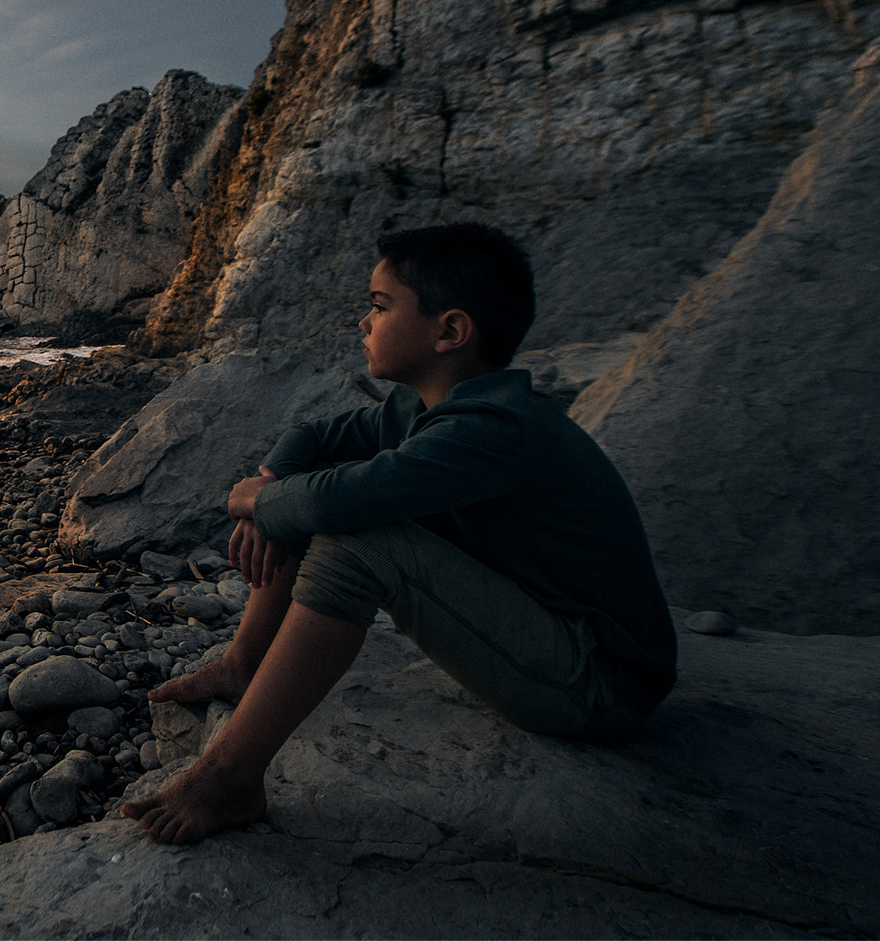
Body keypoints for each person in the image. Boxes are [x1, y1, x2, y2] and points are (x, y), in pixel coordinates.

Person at [122, 223, 676, 845]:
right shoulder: (420, 408)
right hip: (546, 640)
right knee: (311, 499)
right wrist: (274, 485)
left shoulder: (493, 430)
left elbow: (346, 504)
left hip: (599, 685)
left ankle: (229, 778)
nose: (363, 322)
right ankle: (243, 664)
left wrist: (259, 500)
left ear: (450, 332)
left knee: (351, 532)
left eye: (380, 307)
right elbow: (314, 438)